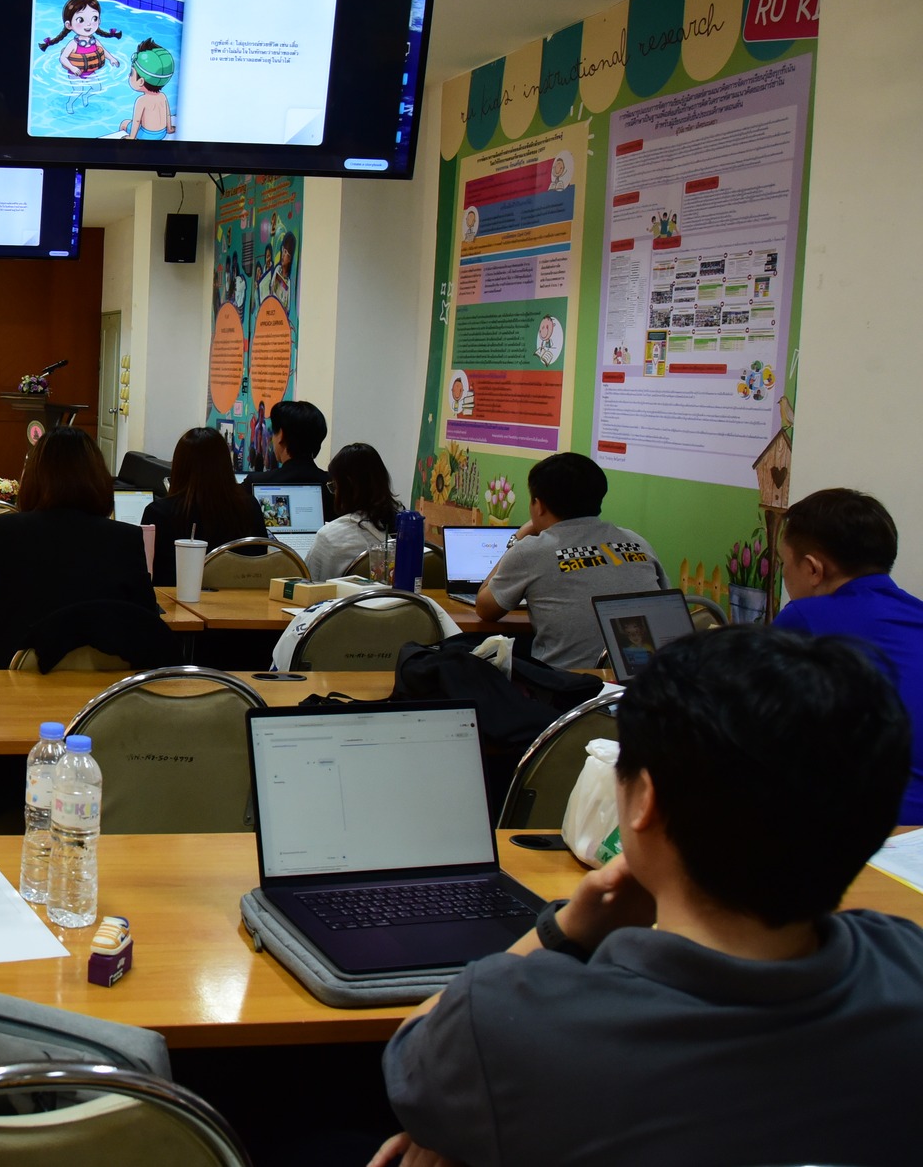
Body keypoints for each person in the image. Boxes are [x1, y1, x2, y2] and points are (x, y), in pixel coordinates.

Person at [373, 626, 923, 1167]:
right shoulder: (908, 965)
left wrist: (564, 931)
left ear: (645, 802)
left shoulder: (507, 1024)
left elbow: (416, 1064)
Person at [0, 427, 160, 667]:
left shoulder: (2, 532)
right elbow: (148, 623)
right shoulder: (125, 538)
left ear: (33, 476)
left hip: (14, 678)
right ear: (99, 478)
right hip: (102, 683)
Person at [773, 487, 923, 823]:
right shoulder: (917, 613)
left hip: (882, 825)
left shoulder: (805, 617)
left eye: (784, 564)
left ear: (813, 569)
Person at [476, 451, 665, 669]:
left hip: (568, 683)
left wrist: (518, 538)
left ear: (539, 505)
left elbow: (485, 609)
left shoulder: (531, 551)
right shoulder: (637, 542)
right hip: (648, 678)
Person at [141, 426, 266, 585]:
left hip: (175, 597)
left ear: (179, 466)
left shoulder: (159, 513)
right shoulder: (249, 507)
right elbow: (260, 561)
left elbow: (144, 572)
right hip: (240, 597)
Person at [305, 443, 399, 579]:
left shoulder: (328, 537)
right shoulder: (406, 533)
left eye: (334, 486)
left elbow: (307, 583)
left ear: (347, 486)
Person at [242, 399, 330, 492]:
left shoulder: (256, 483)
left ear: (281, 435)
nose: (272, 439)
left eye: (273, 433)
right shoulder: (332, 486)